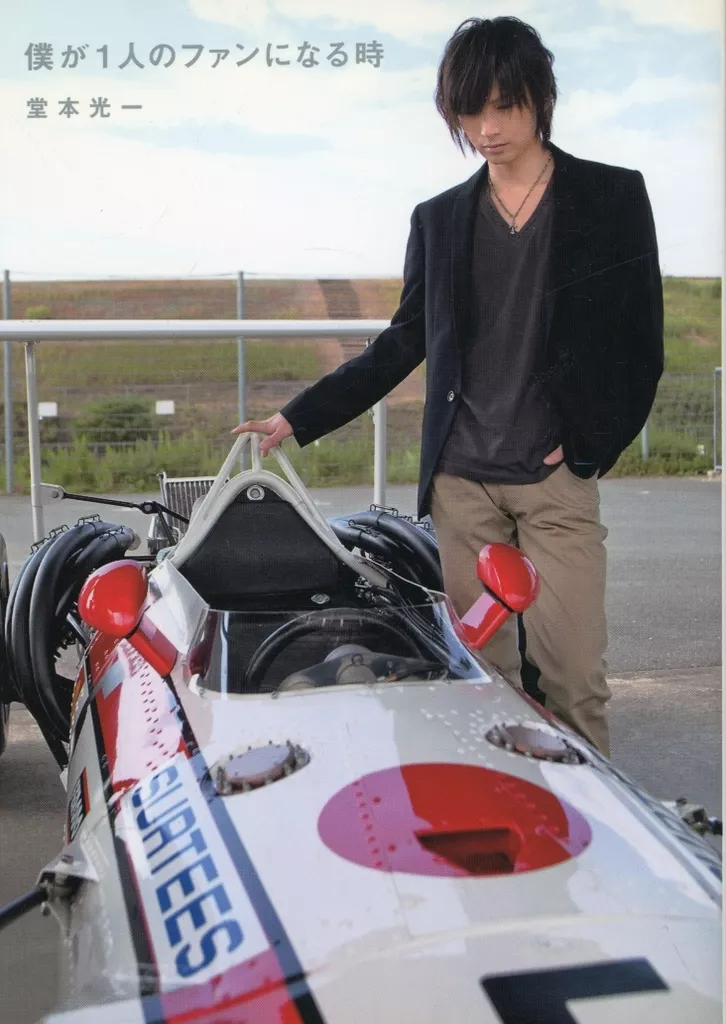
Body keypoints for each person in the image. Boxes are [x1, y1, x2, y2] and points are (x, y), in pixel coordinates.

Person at [232, 16, 664, 758]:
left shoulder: (611, 198)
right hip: (463, 484)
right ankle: (504, 808)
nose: (487, 129)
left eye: (505, 107)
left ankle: (585, 819)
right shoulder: (439, 220)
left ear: (540, 98)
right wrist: (298, 417)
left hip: (555, 479)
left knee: (573, 677)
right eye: (470, 112)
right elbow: (403, 341)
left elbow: (641, 345)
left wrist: (589, 446)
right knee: (483, 680)